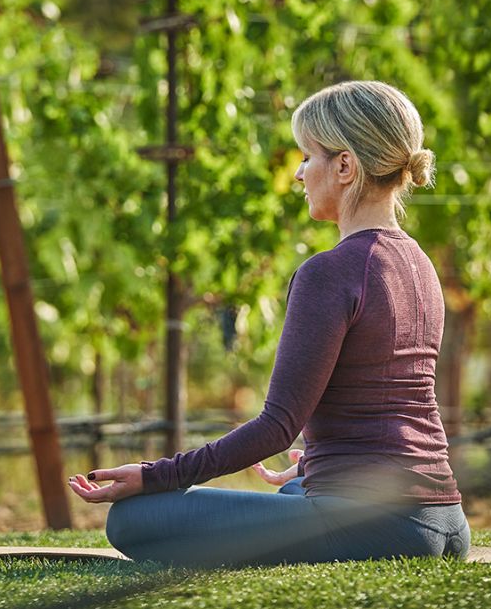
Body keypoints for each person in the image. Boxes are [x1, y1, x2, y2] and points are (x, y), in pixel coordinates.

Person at [67, 80, 468, 567]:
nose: (299, 174)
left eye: (307, 156)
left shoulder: (329, 272)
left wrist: (157, 475)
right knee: (298, 484)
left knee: (133, 518)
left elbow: (277, 427)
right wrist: (320, 464)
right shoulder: (419, 264)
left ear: (344, 166)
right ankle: (312, 486)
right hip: (445, 521)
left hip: (377, 524)